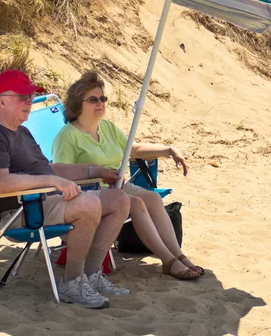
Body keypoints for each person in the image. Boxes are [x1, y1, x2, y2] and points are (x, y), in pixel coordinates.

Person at [0, 69, 131, 309]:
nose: (29, 102)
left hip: (47, 202)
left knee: (119, 199)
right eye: (22, 97)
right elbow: (2, 183)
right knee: (88, 204)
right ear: (1, 101)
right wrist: (52, 182)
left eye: (30, 97)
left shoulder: (21, 132)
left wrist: (94, 170)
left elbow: (49, 168)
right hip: (23, 212)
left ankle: (91, 274)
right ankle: (72, 283)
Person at [52, 71, 205, 280]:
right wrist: (95, 173)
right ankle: (168, 260)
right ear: (78, 104)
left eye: (103, 98)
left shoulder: (106, 127)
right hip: (92, 192)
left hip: (117, 185)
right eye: (93, 100)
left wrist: (168, 150)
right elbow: (62, 173)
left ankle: (179, 256)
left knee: (151, 198)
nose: (100, 103)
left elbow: (133, 150)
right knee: (136, 203)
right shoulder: (67, 137)